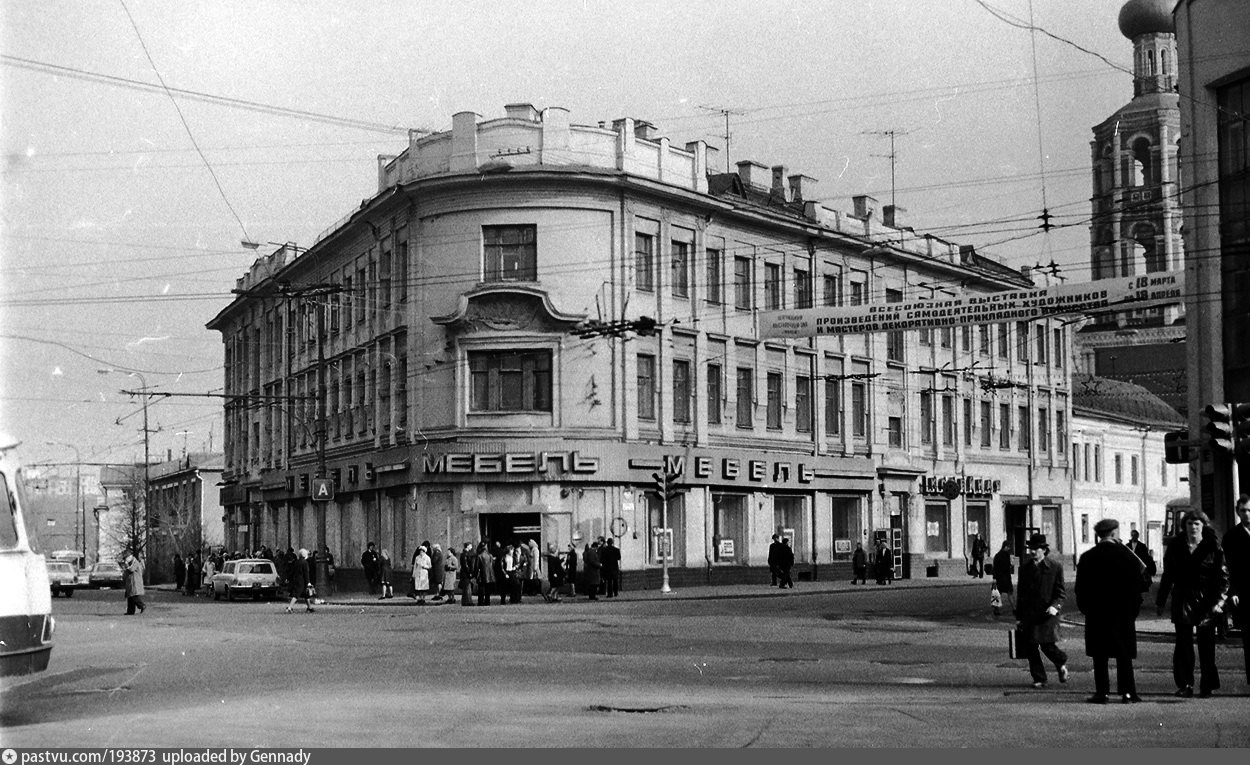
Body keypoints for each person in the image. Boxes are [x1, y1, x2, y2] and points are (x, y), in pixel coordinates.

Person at [1156, 509, 1229, 697]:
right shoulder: (1176, 546)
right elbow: (1168, 574)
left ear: (1203, 526)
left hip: (1207, 599)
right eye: (1189, 523)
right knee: (1183, 645)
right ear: (1184, 526)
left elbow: (1223, 577)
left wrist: (1219, 602)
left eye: (1197, 523)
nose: (1193, 527)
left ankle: (1207, 685)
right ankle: (1185, 684)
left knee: (1207, 644)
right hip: (1183, 598)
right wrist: (1161, 600)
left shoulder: (1213, 546)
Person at [1075, 519, 1144, 704]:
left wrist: (1086, 609)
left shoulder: (1088, 557)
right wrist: (1133, 611)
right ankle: (1128, 692)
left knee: (1100, 655)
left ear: (1099, 535)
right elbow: (1136, 587)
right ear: (1114, 533)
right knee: (1124, 655)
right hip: (1123, 613)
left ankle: (1102, 692)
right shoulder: (1128, 556)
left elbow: (1080, 589)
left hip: (1097, 614)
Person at [1014, 533, 1069, 689]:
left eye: (1036, 549)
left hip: (1047, 614)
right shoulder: (1024, 569)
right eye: (1030, 548)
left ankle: (1061, 663)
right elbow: (1021, 595)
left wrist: (1055, 606)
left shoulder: (1055, 567)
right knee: (1031, 647)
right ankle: (1039, 678)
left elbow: (1060, 592)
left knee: (1047, 646)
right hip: (1030, 614)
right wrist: (1019, 617)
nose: (1032, 552)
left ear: (1044, 550)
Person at [1221, 494, 1250, 684]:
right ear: (1237, 512)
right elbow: (1228, 568)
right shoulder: (1231, 537)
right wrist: (1233, 592)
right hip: (1245, 593)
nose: (1247, 514)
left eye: (1249, 510)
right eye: (1243, 511)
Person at [285, 547, 315, 614]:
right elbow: (306, 573)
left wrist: (288, 578)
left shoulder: (296, 562)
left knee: (306, 595)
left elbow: (292, 572)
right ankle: (290, 607)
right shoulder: (305, 563)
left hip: (296, 580)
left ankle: (309, 607)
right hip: (302, 581)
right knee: (296, 595)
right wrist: (308, 582)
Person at [991, 540, 1015, 616]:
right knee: (1009, 593)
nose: (1009, 549)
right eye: (1008, 547)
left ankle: (996, 609)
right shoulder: (1006, 555)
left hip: (999, 578)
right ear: (1005, 547)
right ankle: (1014, 609)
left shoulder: (997, 555)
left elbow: (995, 568)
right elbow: (1008, 566)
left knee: (997, 594)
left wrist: (994, 578)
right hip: (1006, 578)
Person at [474, 543, 495, 607]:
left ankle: (481, 602)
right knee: (487, 590)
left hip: (482, 574)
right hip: (490, 574)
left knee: (481, 589)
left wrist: (475, 574)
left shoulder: (479, 556)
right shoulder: (490, 555)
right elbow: (493, 565)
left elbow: (477, 567)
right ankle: (487, 601)